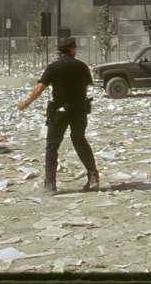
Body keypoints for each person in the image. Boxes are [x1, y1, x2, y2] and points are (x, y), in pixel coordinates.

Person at [17, 36, 99, 193]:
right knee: (80, 141)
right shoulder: (81, 66)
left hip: (59, 112)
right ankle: (93, 177)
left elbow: (40, 88)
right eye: (74, 48)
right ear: (71, 49)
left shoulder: (53, 67)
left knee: (52, 146)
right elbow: (85, 89)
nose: (75, 50)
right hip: (79, 109)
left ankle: (50, 184)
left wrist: (25, 103)